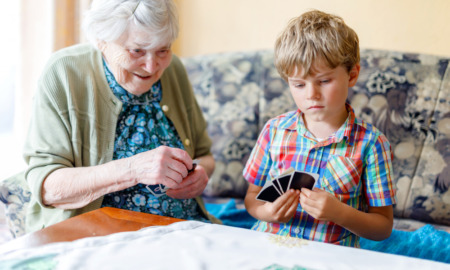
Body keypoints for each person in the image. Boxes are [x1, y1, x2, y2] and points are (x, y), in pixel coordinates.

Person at [23, 0, 219, 233]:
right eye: (137, 50)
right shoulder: (64, 72)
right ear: (101, 41)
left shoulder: (173, 69)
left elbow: (205, 156)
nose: (151, 66)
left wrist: (200, 174)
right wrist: (134, 169)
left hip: (185, 230)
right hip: (98, 236)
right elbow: (47, 187)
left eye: (163, 50)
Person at [243, 10, 396, 247]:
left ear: (352, 74)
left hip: (330, 257)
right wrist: (268, 213)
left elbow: (383, 227)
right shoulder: (274, 130)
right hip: (268, 246)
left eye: (324, 81)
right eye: (299, 84)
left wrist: (340, 213)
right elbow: (252, 199)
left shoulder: (372, 144)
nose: (311, 94)